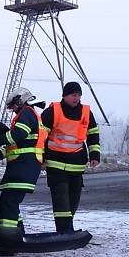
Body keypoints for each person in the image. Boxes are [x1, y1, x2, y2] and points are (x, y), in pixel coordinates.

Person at [0, 87, 47, 256]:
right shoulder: (28, 114)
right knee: (11, 203)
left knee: (8, 203)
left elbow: (17, 135)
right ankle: (18, 237)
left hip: (24, 166)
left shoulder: (26, 113)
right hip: (23, 166)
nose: (11, 110)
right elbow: (15, 146)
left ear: (20, 100)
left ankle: (7, 245)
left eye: (12, 106)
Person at [41, 82, 100, 233]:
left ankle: (67, 229)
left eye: (79, 95)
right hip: (56, 163)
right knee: (61, 200)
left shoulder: (86, 112)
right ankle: (64, 231)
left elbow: (93, 135)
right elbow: (41, 137)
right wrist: (41, 158)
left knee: (73, 200)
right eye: (73, 95)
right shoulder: (53, 111)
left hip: (77, 165)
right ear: (65, 96)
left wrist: (95, 155)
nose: (77, 98)